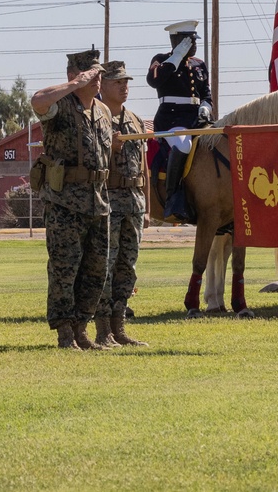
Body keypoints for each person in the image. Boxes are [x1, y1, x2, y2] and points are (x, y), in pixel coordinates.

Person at [31, 49, 113, 349]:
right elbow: (37, 100)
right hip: (65, 202)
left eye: (99, 75)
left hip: (98, 201)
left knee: (96, 270)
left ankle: (81, 329)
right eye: (92, 74)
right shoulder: (59, 105)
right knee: (65, 268)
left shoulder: (102, 112)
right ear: (74, 75)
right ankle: (65, 332)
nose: (97, 79)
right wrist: (75, 84)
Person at [92, 61, 149, 347]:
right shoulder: (97, 119)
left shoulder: (136, 120)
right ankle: (103, 330)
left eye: (127, 82)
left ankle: (120, 327)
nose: (125, 87)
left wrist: (147, 206)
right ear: (102, 85)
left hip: (134, 202)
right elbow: (92, 165)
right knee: (107, 265)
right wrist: (109, 148)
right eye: (118, 82)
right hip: (109, 200)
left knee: (128, 266)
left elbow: (144, 167)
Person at [146, 20, 212, 221]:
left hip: (197, 119)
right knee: (183, 145)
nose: (194, 45)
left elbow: (206, 94)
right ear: (176, 40)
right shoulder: (162, 60)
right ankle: (173, 197)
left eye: (194, 40)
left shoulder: (199, 64)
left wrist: (205, 107)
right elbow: (154, 81)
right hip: (171, 119)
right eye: (189, 41)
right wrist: (176, 56)